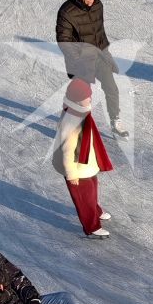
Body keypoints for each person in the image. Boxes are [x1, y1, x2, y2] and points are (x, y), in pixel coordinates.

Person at [55, 0, 126, 133]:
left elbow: (99, 32)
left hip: (100, 56)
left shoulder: (98, 5)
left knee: (112, 89)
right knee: (81, 97)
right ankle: (69, 123)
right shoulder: (66, 12)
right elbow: (64, 41)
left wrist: (105, 51)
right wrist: (77, 59)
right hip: (81, 60)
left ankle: (115, 120)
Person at [53, 78, 114, 237]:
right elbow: (67, 151)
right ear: (77, 99)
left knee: (92, 191)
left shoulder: (80, 113)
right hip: (76, 169)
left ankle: (96, 210)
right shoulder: (71, 121)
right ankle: (92, 227)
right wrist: (71, 174)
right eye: (87, 96)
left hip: (87, 164)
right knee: (84, 198)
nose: (90, 98)